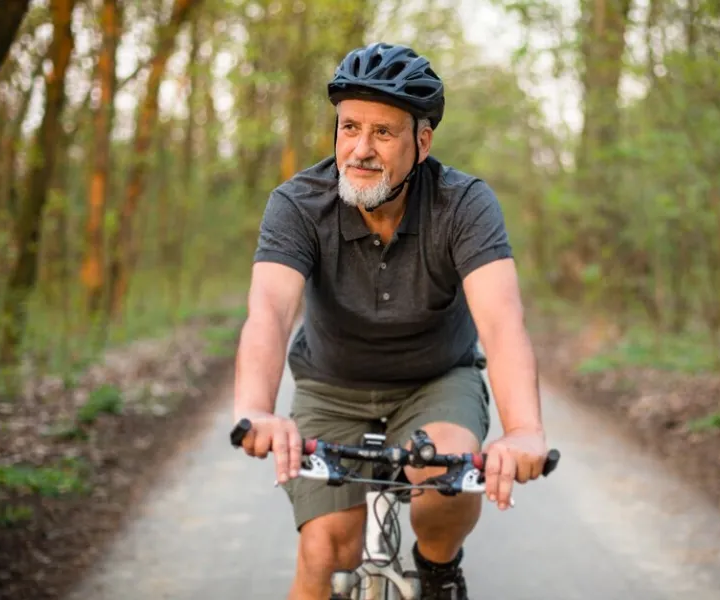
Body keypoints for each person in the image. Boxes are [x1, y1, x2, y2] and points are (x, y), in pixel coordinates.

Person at [231, 41, 550, 600]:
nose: (360, 148)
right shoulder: (297, 204)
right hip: (332, 386)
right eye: (350, 127)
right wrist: (256, 409)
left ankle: (437, 568)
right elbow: (269, 313)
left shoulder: (464, 205)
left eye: (383, 132)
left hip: (435, 380)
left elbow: (501, 325)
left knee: (446, 480)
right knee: (326, 551)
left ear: (421, 142)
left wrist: (522, 430)